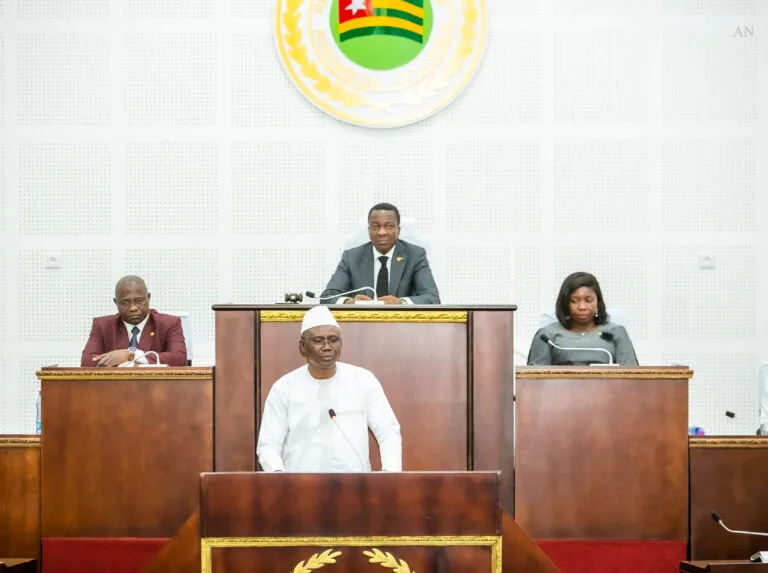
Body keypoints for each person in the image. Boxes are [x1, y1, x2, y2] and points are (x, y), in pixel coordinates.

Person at [257, 305, 402, 472]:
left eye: (333, 340)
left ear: (341, 344)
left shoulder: (363, 380)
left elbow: (388, 432)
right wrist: (278, 476)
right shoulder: (284, 387)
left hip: (355, 483)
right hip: (300, 484)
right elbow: (268, 444)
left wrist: (390, 474)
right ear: (302, 347)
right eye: (318, 340)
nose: (327, 346)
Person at [320, 202, 440, 304]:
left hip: (400, 323)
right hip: (363, 322)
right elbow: (327, 297)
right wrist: (349, 302)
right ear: (369, 230)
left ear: (398, 230)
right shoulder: (351, 257)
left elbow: (432, 298)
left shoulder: (415, 255)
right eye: (375, 226)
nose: (382, 232)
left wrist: (401, 303)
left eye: (389, 226)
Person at [527, 272, 638, 366]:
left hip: (607, 385)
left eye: (589, 300)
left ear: (598, 302)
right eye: (574, 301)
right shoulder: (546, 335)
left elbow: (631, 375)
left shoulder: (616, 332)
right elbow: (534, 378)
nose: (582, 307)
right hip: (561, 385)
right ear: (565, 303)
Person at [80, 275, 187, 367]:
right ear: (116, 302)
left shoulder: (169, 323)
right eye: (125, 303)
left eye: (139, 301)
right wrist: (135, 365)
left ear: (148, 298)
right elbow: (88, 362)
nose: (133, 308)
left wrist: (130, 355)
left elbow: (179, 359)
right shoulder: (103, 325)